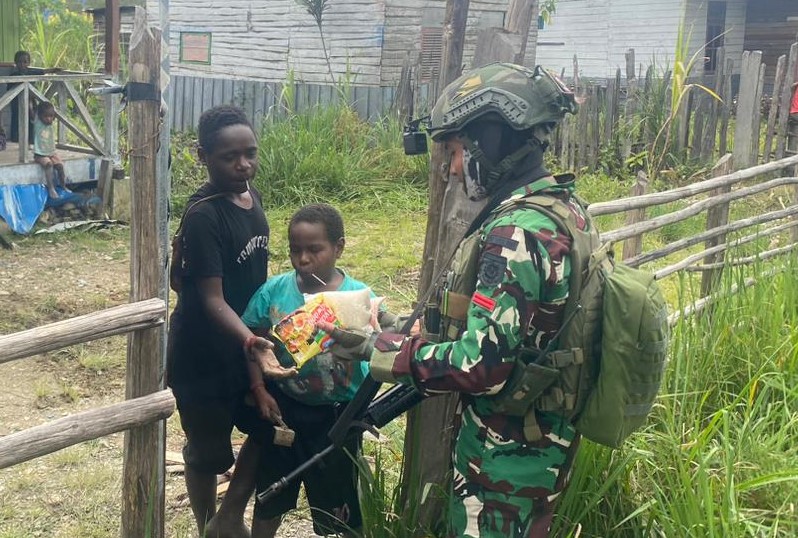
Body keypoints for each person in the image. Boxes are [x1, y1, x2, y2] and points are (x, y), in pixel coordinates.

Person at [319, 63, 582, 537]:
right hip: (541, 446)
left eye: (459, 150)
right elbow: (524, 326)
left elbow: (479, 365)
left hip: (506, 462)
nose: (454, 167)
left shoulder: (517, 232)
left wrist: (373, 350)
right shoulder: (562, 208)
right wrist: (404, 324)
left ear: (494, 141)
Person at [166, 104, 295, 538]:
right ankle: (208, 526)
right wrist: (251, 341)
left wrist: (259, 335)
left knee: (269, 426)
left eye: (250, 153)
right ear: (202, 156)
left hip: (246, 344)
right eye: (229, 157)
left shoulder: (250, 197)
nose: (244, 165)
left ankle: (229, 516)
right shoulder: (205, 216)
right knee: (208, 452)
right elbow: (210, 299)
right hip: (202, 355)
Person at [240, 203, 374, 537]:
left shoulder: (357, 298)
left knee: (340, 506)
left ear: (338, 247)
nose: (303, 259)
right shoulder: (275, 292)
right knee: (270, 497)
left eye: (314, 250)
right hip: (286, 411)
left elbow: (377, 349)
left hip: (339, 417)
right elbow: (252, 340)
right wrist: (259, 389)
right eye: (295, 250)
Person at [6, 50, 60, 144]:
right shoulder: (13, 75)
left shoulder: (31, 72)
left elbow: (42, 71)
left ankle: (31, 139)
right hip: (17, 104)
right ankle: (16, 138)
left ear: (29, 63)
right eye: (19, 62)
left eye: (25, 62)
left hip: (31, 102)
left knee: (32, 120)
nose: (22, 64)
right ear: (15, 63)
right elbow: (10, 90)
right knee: (17, 120)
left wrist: (53, 70)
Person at [32, 101, 68, 199]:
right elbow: (32, 110)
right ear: (39, 116)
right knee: (49, 165)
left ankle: (63, 186)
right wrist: (31, 100)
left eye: (51, 116)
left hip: (51, 152)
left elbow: (53, 113)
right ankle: (51, 188)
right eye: (46, 116)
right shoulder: (38, 122)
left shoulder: (51, 122)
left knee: (60, 166)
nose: (48, 119)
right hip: (40, 154)